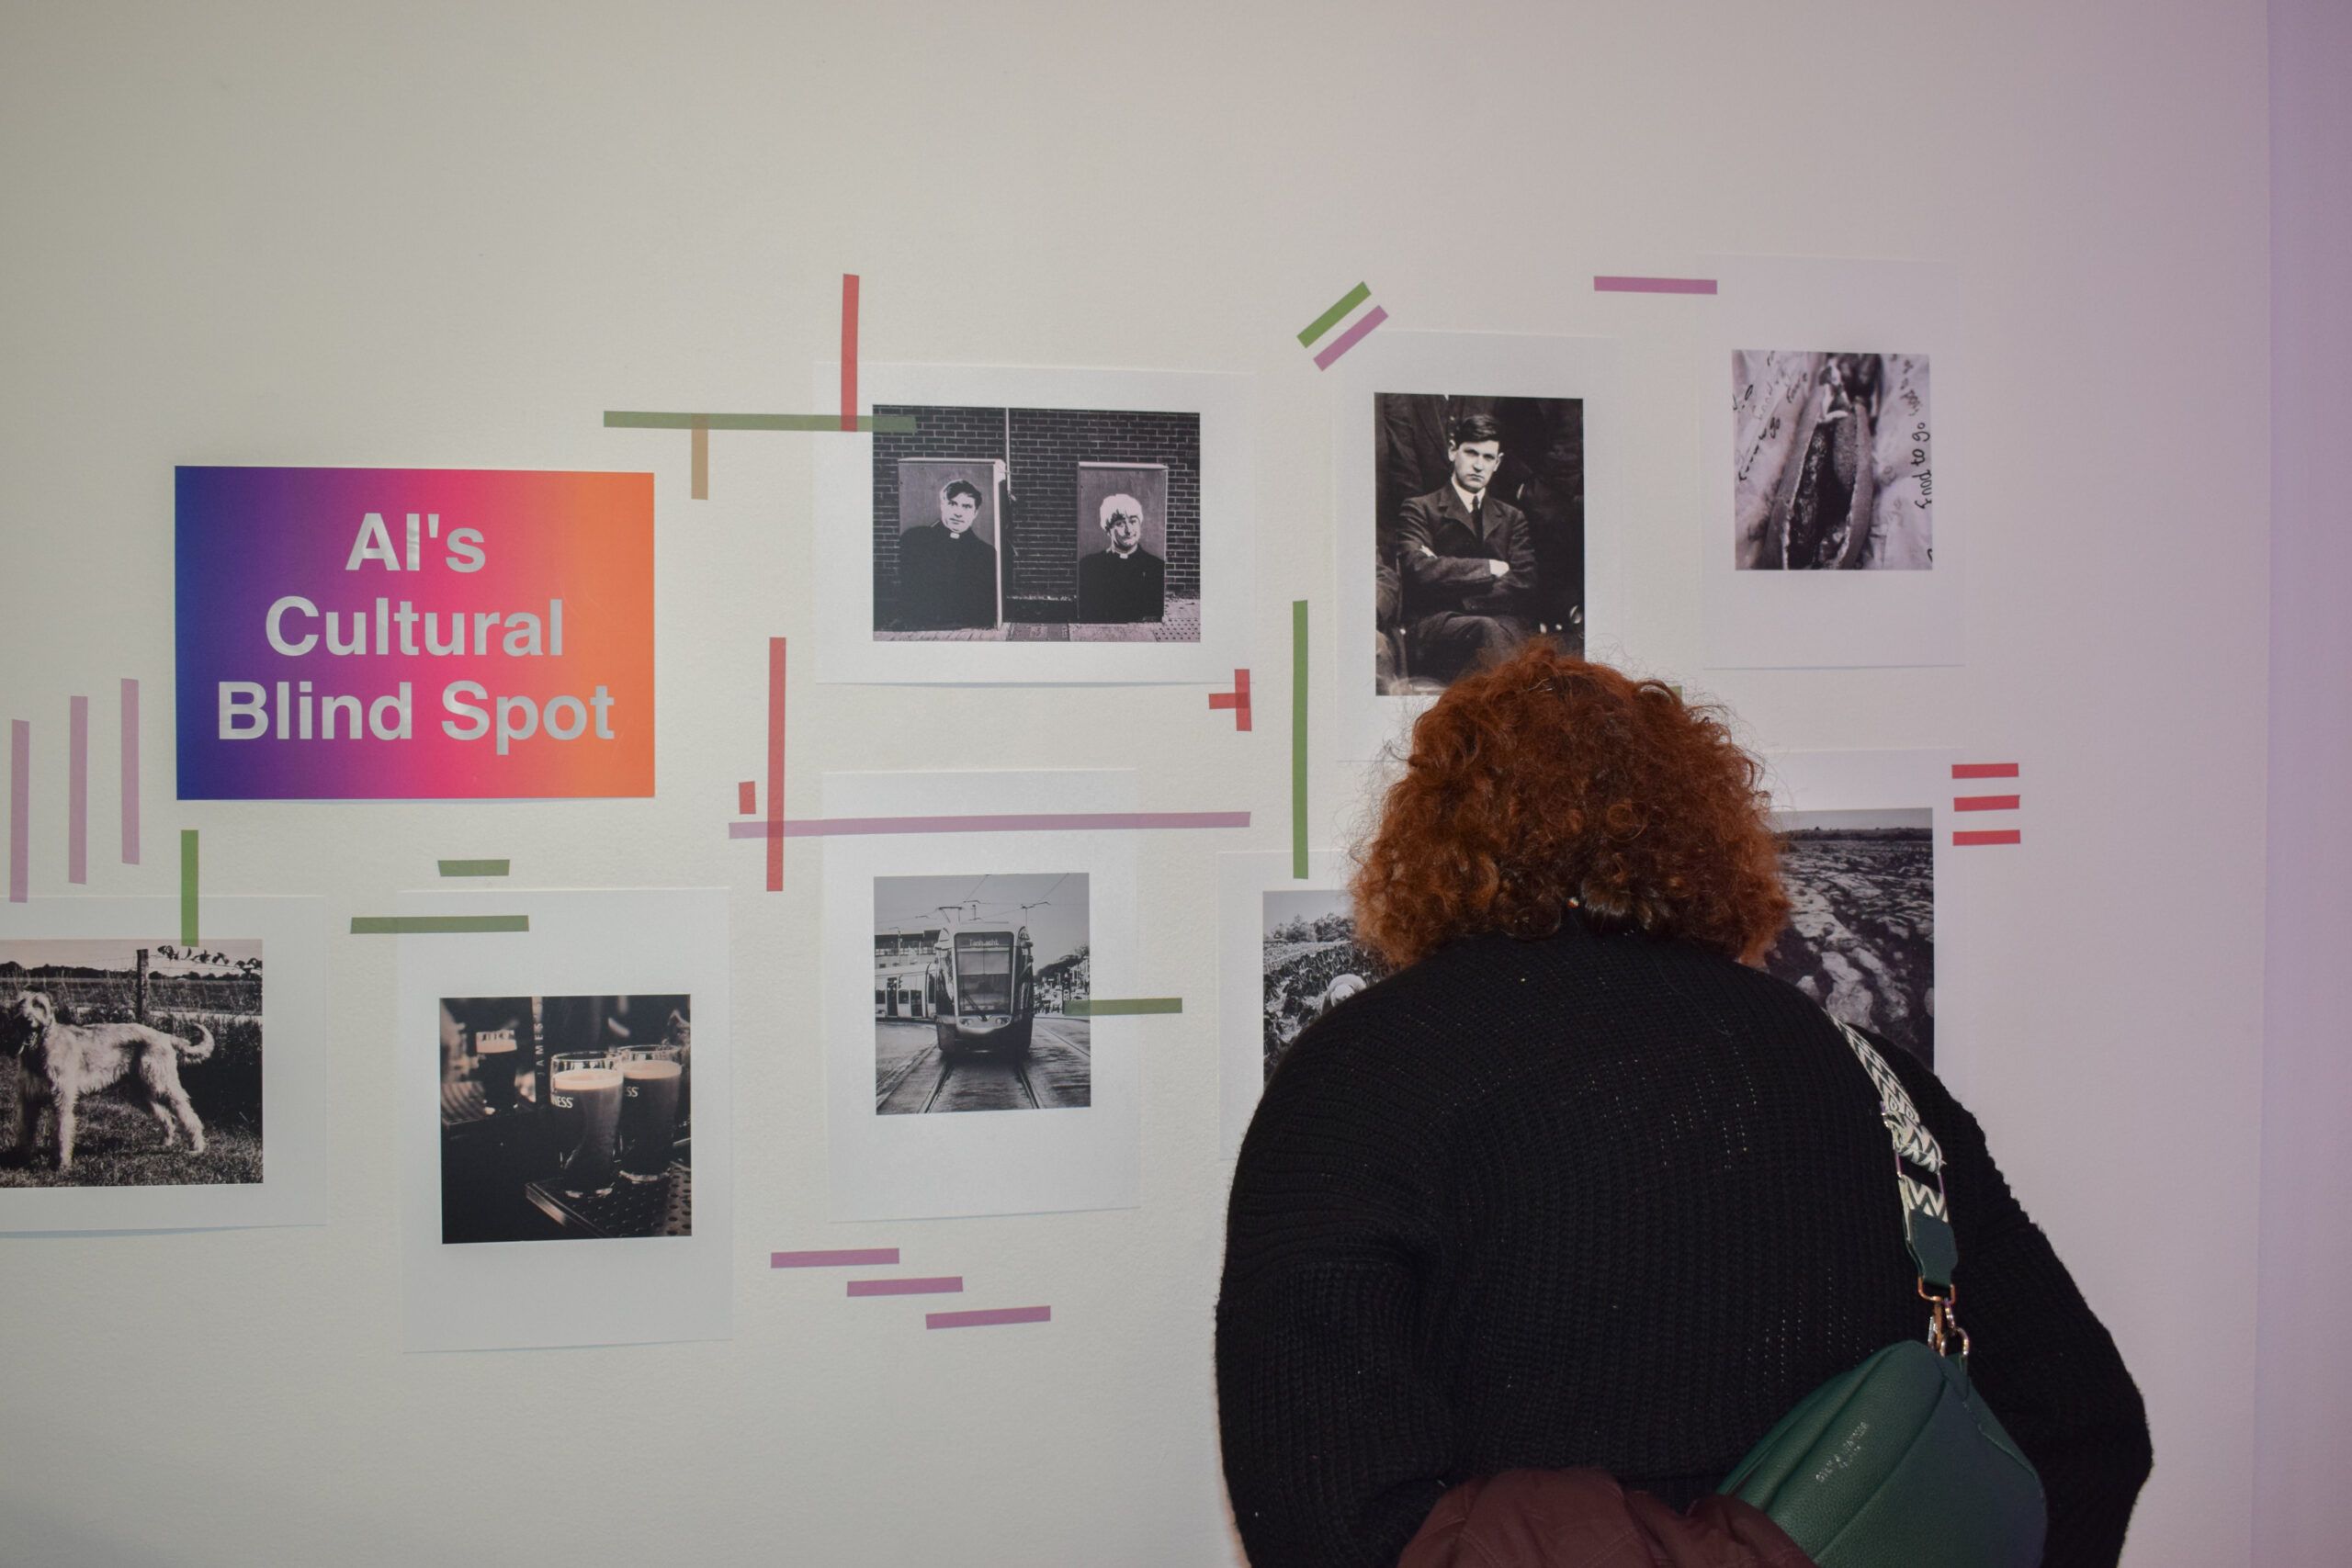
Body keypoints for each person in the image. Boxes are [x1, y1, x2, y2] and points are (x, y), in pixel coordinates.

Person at [1216, 642, 2151, 1568]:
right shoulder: (1870, 1075)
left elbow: (1320, 1521)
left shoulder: (1353, 1079)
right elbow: (2085, 1428)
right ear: (1702, 832)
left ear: (1430, 841)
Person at [1396, 413, 1537, 682]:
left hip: (1500, 624)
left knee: (1524, 639)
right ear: (1452, 451)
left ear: (1498, 463)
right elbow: (1420, 570)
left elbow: (1524, 581)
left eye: (1488, 458)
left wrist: (1454, 583)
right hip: (1438, 626)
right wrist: (1490, 568)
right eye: (1471, 453)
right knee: (1487, 630)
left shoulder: (1512, 517)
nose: (1479, 466)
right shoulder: (1420, 509)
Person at [897, 479, 999, 630]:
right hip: (922, 625)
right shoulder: (915, 540)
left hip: (967, 627)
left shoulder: (986, 553)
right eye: (952, 504)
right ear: (942, 506)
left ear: (975, 513)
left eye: (966, 507)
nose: (958, 513)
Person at [1076, 491, 1166, 623]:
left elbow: (1153, 612)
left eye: (1133, 521)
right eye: (1120, 524)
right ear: (1108, 530)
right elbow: (1089, 611)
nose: (1129, 530)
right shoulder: (1089, 566)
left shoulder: (1155, 566)